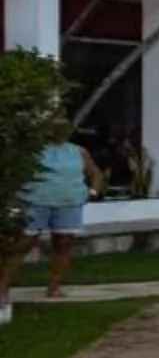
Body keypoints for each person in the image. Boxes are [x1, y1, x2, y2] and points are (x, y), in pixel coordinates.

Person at [3, 116, 102, 327]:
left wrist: (92, 192)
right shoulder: (34, 152)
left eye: (64, 127)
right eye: (55, 127)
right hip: (35, 202)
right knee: (23, 243)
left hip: (68, 203)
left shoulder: (78, 152)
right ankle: (3, 288)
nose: (60, 131)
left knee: (64, 242)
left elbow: (95, 174)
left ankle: (54, 286)